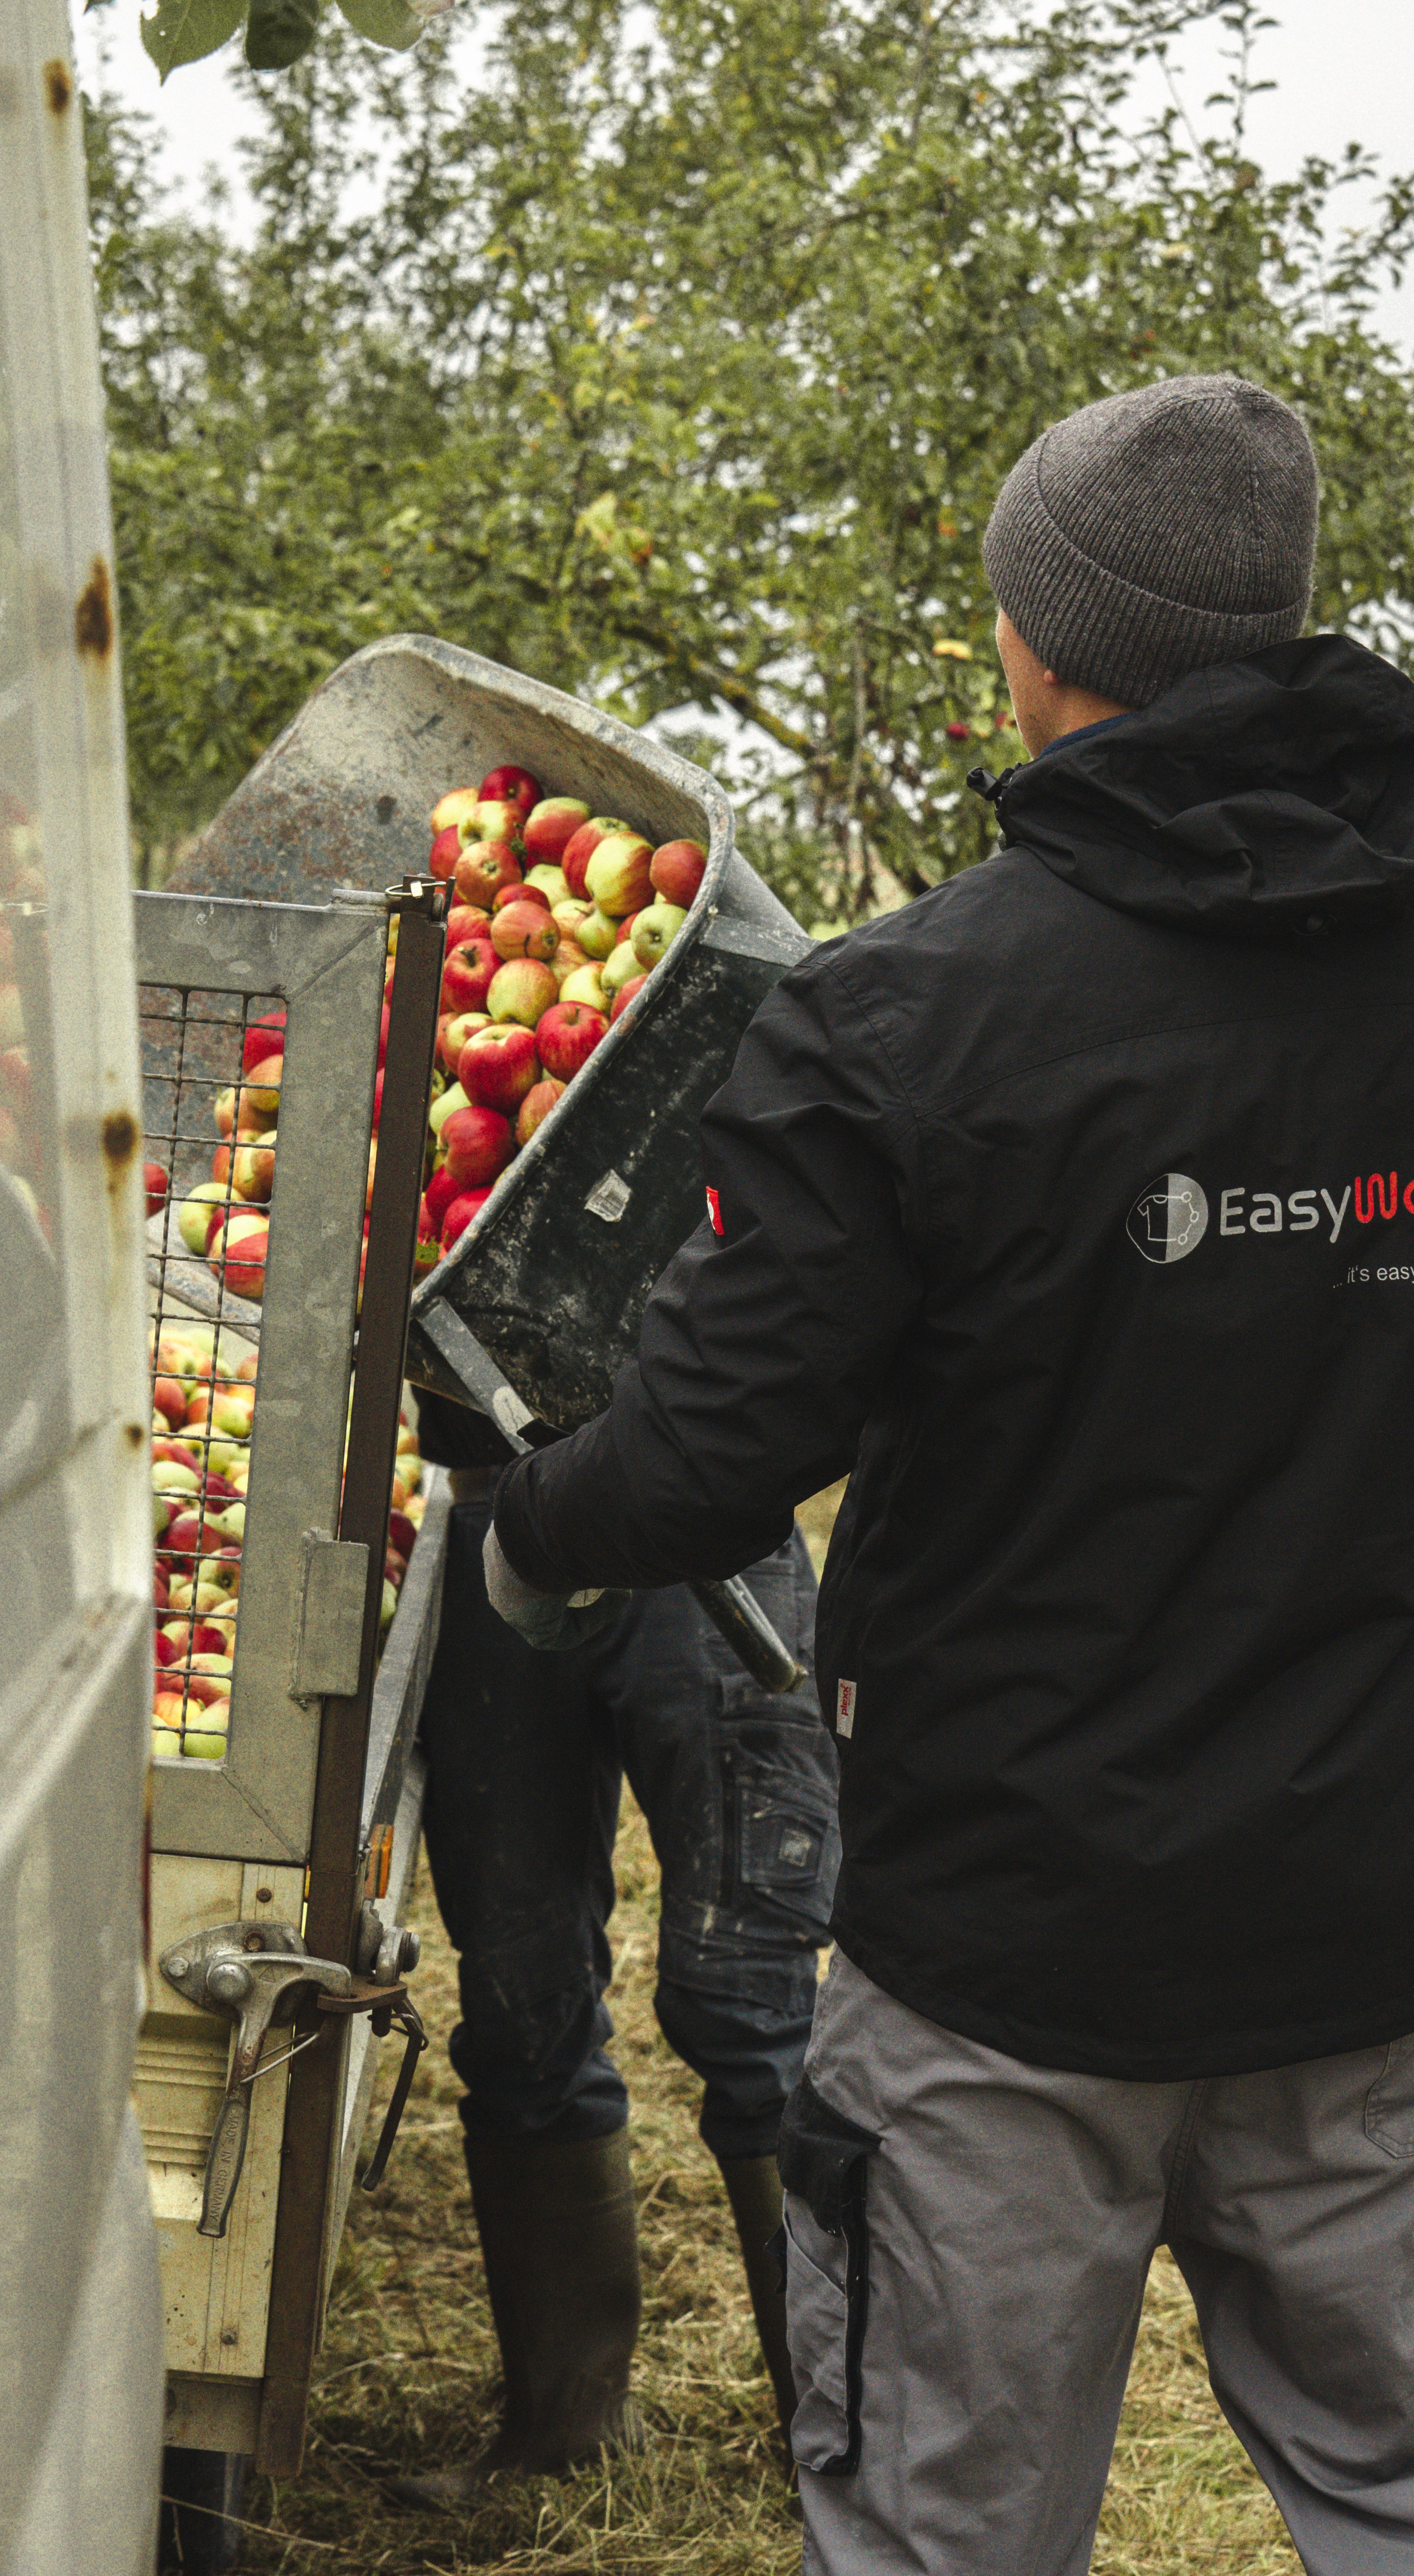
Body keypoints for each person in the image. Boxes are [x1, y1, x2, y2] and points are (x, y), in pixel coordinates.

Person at [481, 371, 1414, 2575]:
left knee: (940, 2527)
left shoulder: (908, 1014)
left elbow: (712, 1456)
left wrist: (532, 1529)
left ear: (1037, 635)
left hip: (1006, 1954)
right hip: (1364, 1934)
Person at [388, 1389, 838, 2511]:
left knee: (749, 2007)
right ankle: (560, 2436)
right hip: (493, 1522)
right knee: (515, 2002)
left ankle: (841, 2455)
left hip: (701, 1516)